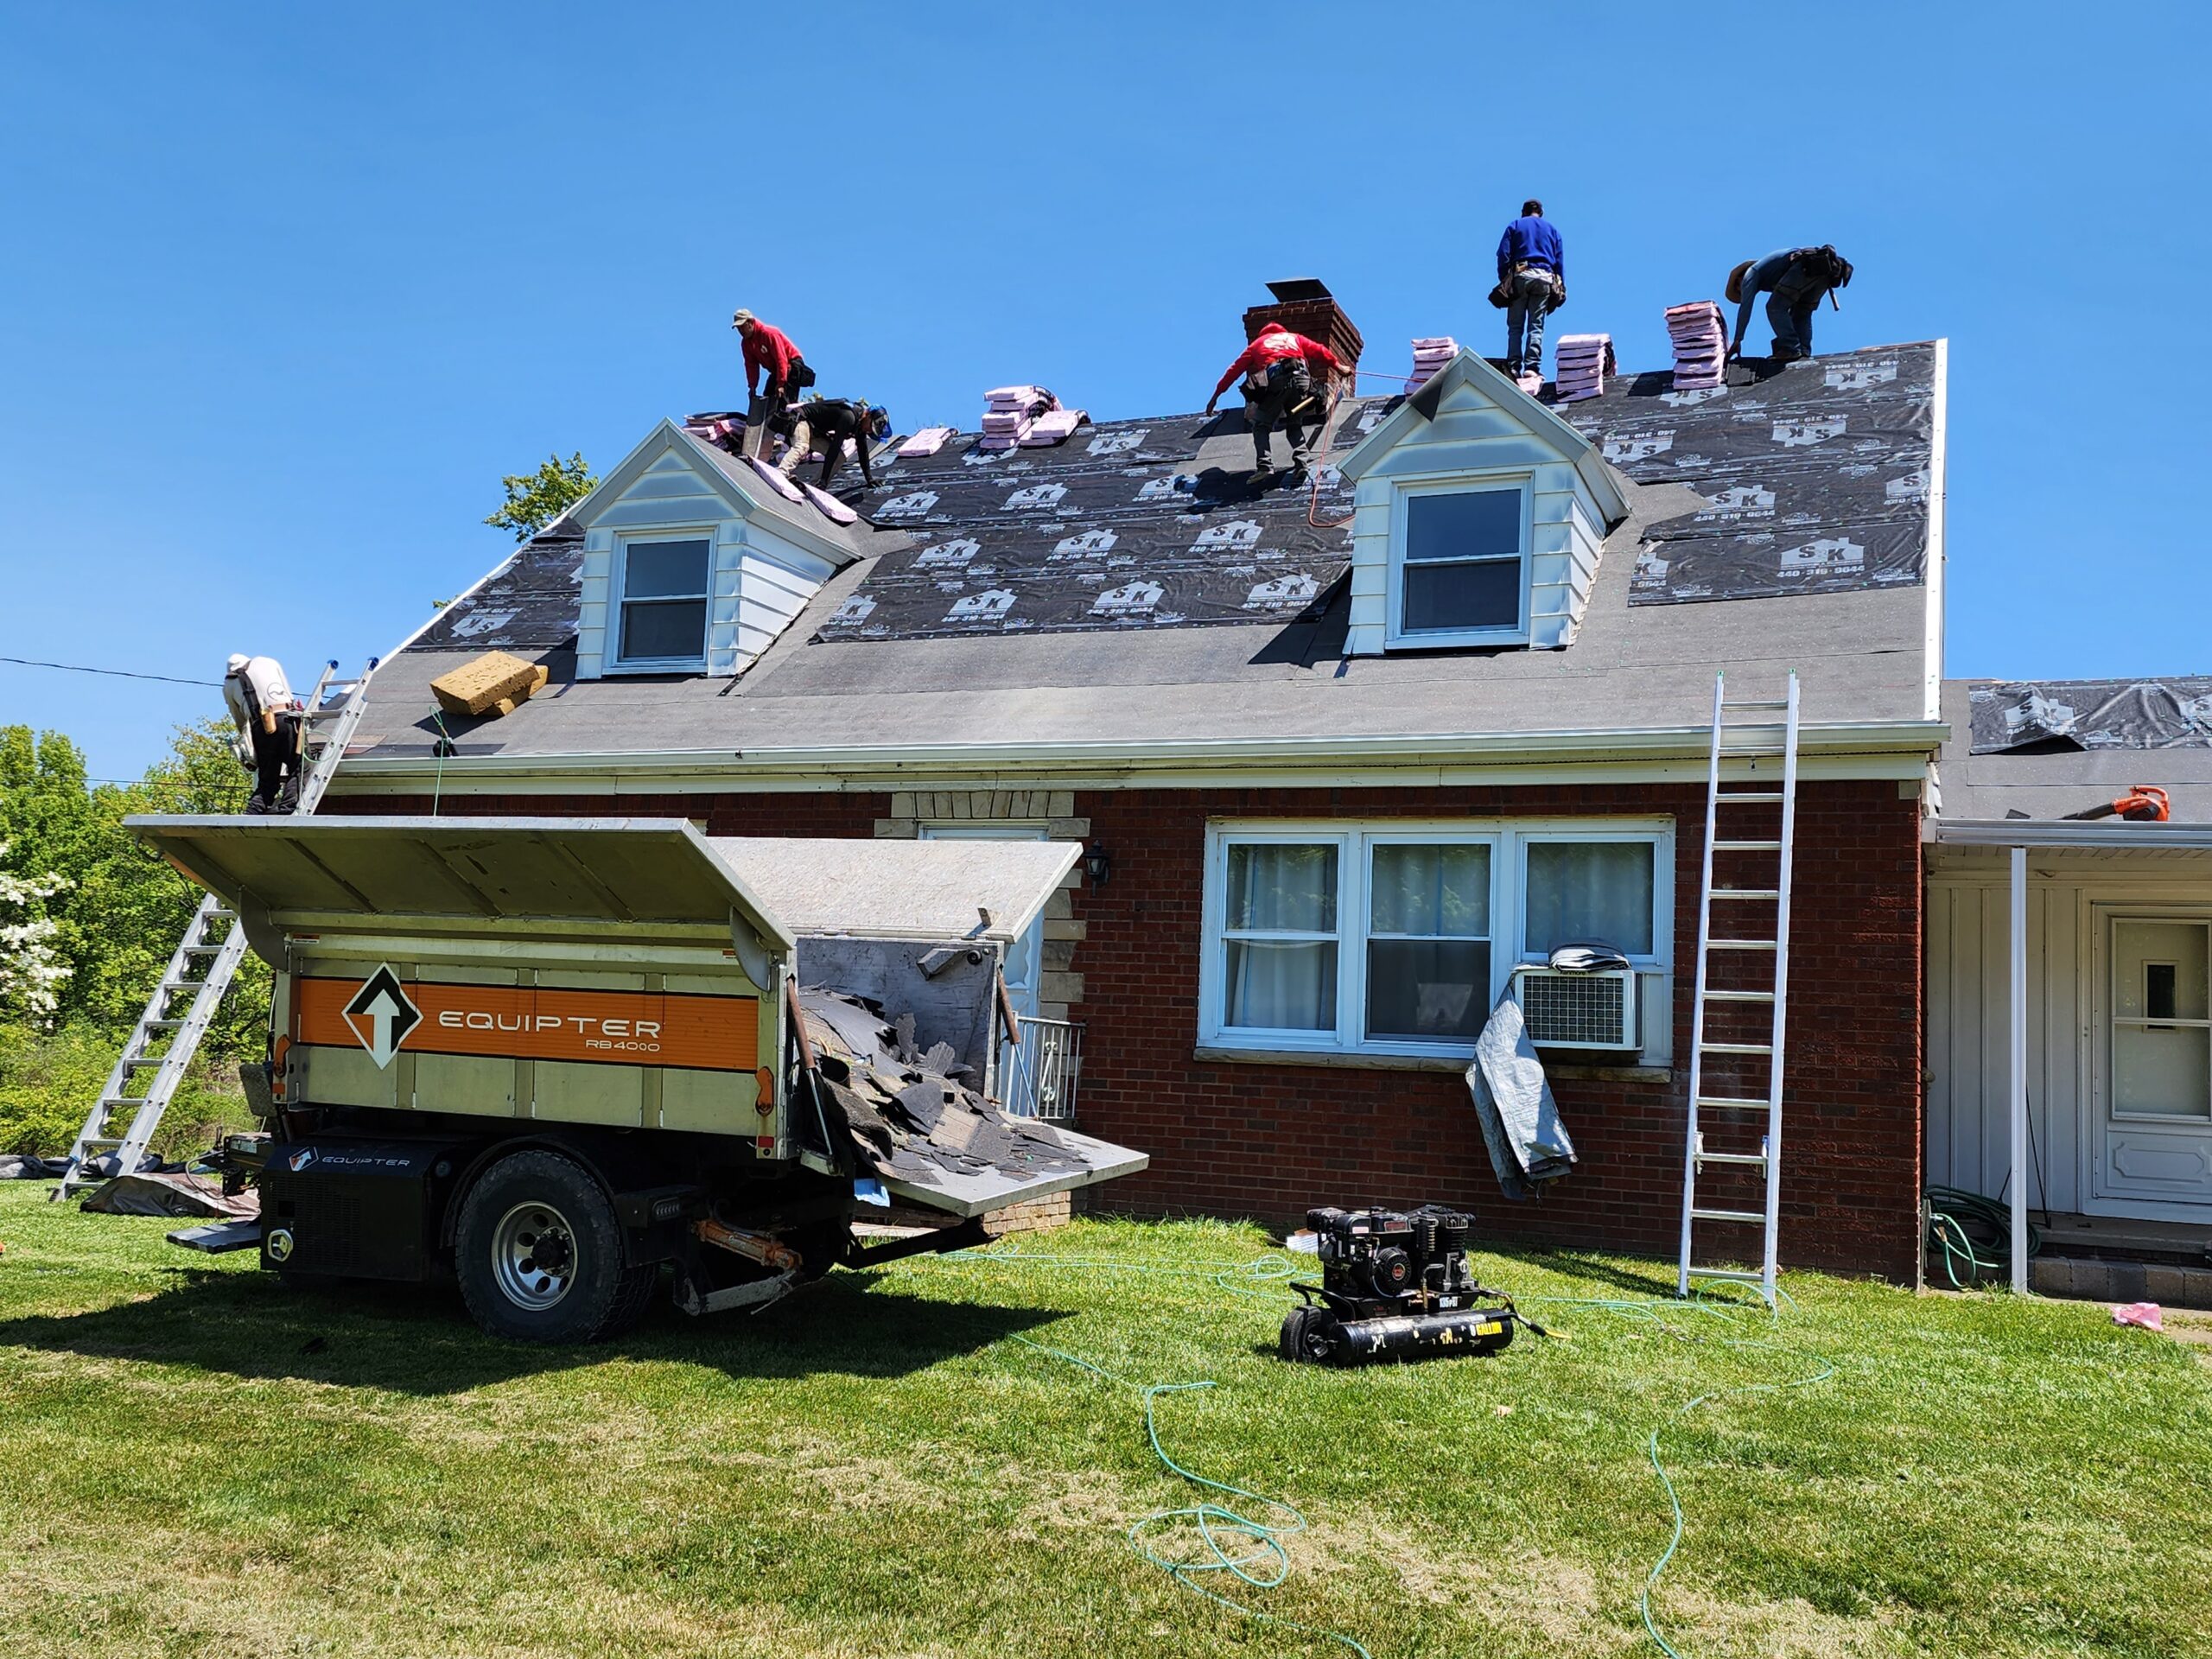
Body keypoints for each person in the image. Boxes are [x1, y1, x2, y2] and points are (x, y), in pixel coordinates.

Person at [1205, 323, 1344, 480]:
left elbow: (1234, 371)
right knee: (1294, 425)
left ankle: (1265, 466)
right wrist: (1338, 366)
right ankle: (1302, 464)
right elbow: (1319, 350)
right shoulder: (1294, 338)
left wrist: (1215, 397)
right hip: (1302, 381)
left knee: (1261, 425)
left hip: (1277, 379)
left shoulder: (1257, 344)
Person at [1726, 245, 1853, 362]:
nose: (1742, 289)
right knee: (1802, 311)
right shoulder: (1770, 273)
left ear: (1740, 278)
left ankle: (1791, 348)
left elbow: (1746, 307)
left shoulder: (1752, 273)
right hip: (1821, 270)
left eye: (1739, 287)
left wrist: (1738, 339)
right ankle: (1803, 351)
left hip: (1805, 266)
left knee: (1774, 307)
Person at [222, 652, 303, 814]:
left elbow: (239, 719)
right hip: (285, 718)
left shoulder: (228, 686)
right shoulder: (268, 662)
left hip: (259, 727)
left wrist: (250, 744)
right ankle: (287, 808)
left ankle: (253, 812)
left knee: (267, 779)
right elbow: (288, 693)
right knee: (298, 767)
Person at [1495, 198, 1564, 382]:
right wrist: (1560, 285)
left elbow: (1503, 253)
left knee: (1516, 326)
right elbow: (1559, 262)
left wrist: (1504, 279)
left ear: (1523, 212)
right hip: (1544, 278)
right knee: (1536, 325)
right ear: (1540, 213)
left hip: (1521, 275)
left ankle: (1514, 366)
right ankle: (1532, 367)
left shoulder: (1516, 225)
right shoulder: (1553, 230)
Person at [777, 397, 891, 489]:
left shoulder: (860, 426)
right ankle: (781, 473)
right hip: (800, 419)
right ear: (868, 415)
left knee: (840, 458)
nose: (869, 431)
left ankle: (814, 486)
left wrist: (869, 478)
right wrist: (824, 481)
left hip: (814, 431)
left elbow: (863, 453)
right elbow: (834, 448)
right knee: (802, 446)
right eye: (870, 428)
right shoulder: (849, 417)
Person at [731, 308, 814, 406]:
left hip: (791, 364)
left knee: (784, 402)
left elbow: (781, 358)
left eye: (742, 327)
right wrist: (752, 386)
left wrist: (781, 384)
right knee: (767, 399)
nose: (741, 331)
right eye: (738, 328)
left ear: (751, 323)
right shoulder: (746, 344)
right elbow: (751, 366)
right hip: (777, 370)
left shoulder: (769, 333)